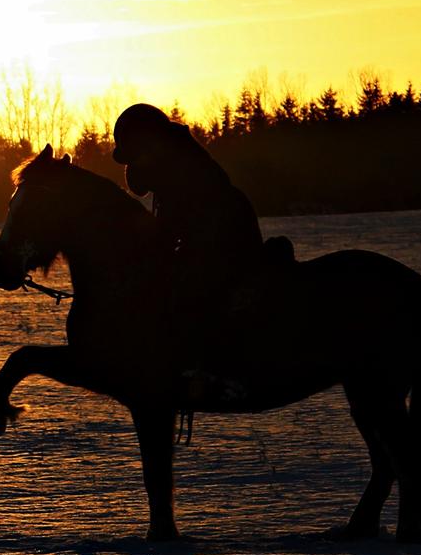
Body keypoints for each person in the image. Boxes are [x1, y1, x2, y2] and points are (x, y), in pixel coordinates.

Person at [112, 103, 293, 401]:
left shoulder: (179, 167)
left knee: (193, 292)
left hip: (224, 240)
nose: (132, 168)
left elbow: (179, 226)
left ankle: (220, 370)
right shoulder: (170, 164)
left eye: (134, 157)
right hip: (212, 238)